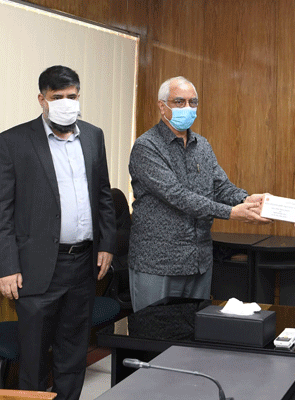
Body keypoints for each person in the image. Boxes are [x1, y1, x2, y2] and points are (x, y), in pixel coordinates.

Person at [0, 65, 116, 400]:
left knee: (73, 356)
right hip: (35, 269)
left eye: (72, 96)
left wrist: (106, 243)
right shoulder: (13, 142)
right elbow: (3, 211)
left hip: (82, 265)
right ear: (42, 99)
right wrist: (7, 266)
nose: (67, 103)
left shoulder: (93, 136)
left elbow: (103, 194)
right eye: (58, 97)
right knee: (34, 361)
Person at [128, 76, 270, 312]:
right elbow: (177, 195)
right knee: (154, 330)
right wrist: (231, 213)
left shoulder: (202, 145)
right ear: (162, 107)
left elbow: (220, 186)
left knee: (195, 330)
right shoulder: (147, 146)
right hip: (159, 263)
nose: (188, 108)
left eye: (192, 102)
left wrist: (246, 199)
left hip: (198, 261)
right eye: (179, 102)